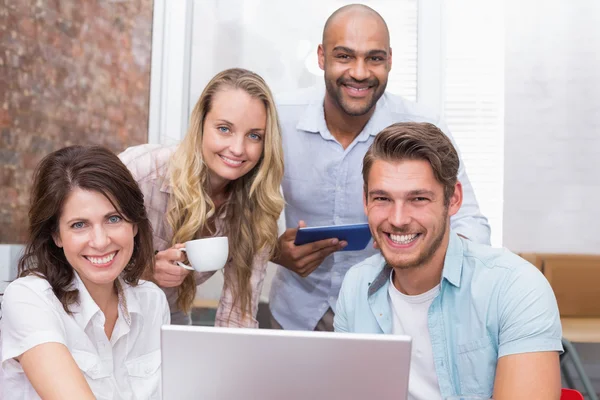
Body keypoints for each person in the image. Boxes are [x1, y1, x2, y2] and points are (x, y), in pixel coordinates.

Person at [269, 4, 491, 331]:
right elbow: (230, 209)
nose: (359, 72)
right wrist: (272, 250)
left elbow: (472, 225)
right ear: (321, 57)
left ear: (389, 60)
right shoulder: (278, 119)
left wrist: (422, 248)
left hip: (392, 317)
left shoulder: (423, 125)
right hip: (296, 314)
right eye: (344, 56)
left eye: (373, 58)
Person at [334, 122, 562, 400]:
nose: (397, 219)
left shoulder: (515, 288)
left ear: (453, 199)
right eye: (382, 198)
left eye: (418, 198)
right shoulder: (356, 285)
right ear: (365, 200)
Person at [0, 146, 169, 400]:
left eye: (114, 219)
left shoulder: (152, 302)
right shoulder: (29, 299)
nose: (100, 241)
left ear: (134, 224)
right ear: (56, 235)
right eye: (79, 225)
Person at [119, 68, 284, 326]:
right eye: (224, 129)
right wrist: (144, 269)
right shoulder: (140, 171)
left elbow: (238, 315)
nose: (238, 149)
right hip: (108, 311)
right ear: (201, 125)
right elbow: (78, 255)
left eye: (254, 136)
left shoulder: (257, 208)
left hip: (169, 318)